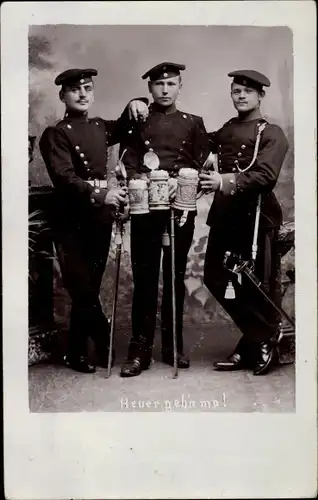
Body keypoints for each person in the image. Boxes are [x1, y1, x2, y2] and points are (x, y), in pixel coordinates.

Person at [39, 68, 149, 373]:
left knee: (88, 288)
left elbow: (128, 124)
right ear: (63, 95)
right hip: (69, 220)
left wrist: (137, 101)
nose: (83, 94)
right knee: (82, 288)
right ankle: (103, 338)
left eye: (87, 88)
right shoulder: (55, 134)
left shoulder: (100, 127)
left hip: (98, 220)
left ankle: (75, 352)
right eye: (75, 89)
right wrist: (102, 196)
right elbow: (64, 178)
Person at [119, 62, 210, 377]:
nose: (165, 89)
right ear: (150, 89)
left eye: (171, 84)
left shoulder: (194, 123)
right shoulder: (138, 119)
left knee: (175, 275)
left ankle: (174, 345)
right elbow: (127, 163)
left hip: (180, 208)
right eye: (159, 84)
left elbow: (201, 164)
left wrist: (183, 183)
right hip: (146, 207)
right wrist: (144, 181)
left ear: (180, 86)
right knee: (144, 278)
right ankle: (139, 349)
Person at [199, 69, 289, 376]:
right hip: (226, 217)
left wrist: (223, 180)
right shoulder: (225, 130)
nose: (241, 95)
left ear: (260, 96)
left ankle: (257, 341)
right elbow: (196, 144)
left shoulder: (272, 132)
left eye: (248, 91)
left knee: (252, 285)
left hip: (256, 219)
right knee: (214, 276)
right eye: (236, 90)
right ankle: (262, 335)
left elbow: (265, 175)